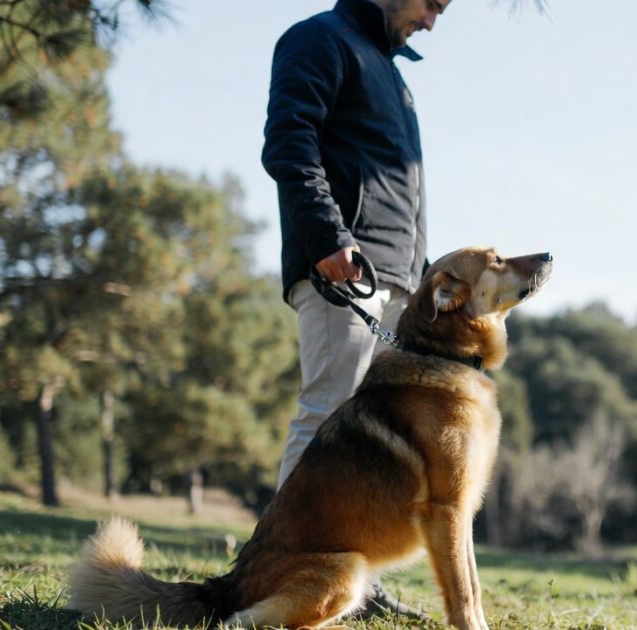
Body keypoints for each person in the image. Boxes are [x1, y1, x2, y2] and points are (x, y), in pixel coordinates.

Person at [260, 0, 450, 617]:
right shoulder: (318, 39)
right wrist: (328, 237)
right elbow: (290, 143)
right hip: (342, 267)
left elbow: (408, 190)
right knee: (327, 418)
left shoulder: (394, 76)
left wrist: (421, 282)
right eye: (433, 5)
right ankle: (280, 573)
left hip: (398, 282)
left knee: (371, 444)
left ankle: (355, 586)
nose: (431, 23)